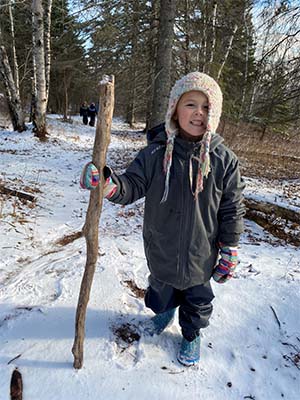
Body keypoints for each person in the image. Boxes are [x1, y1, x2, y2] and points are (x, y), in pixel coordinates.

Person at [80, 72, 245, 367]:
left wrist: (230, 247)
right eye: (190, 104)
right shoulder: (156, 153)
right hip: (161, 247)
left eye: (206, 107)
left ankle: (191, 334)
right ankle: (165, 311)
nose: (198, 113)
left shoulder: (223, 160)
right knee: (160, 290)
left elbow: (232, 207)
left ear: (215, 113)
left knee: (197, 301)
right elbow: (131, 185)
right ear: (174, 109)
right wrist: (106, 183)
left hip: (201, 253)